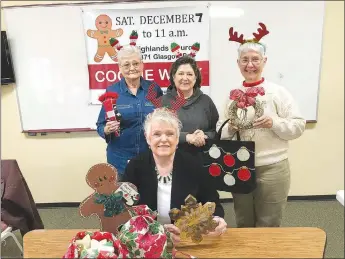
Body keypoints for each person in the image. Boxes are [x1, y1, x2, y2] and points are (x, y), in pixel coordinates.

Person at [217, 24, 306, 227]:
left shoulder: (278, 92)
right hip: (240, 166)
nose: (250, 64)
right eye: (245, 60)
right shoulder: (232, 95)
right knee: (243, 220)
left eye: (255, 59)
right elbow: (220, 131)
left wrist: (274, 123)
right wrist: (232, 127)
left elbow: (298, 126)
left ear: (264, 61)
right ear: (238, 63)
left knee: (270, 221)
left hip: (273, 167)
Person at [122, 108, 227, 243]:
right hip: (146, 240)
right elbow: (124, 210)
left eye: (170, 134)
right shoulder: (135, 167)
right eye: (157, 134)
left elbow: (213, 204)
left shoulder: (194, 165)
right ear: (148, 138)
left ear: (177, 139)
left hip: (185, 240)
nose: (164, 139)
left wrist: (217, 220)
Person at [96, 45, 163, 179]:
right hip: (120, 161)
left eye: (135, 63)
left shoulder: (154, 89)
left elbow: (163, 119)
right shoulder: (112, 92)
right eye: (126, 65)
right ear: (119, 68)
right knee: (122, 198)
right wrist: (107, 129)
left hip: (149, 159)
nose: (132, 68)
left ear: (142, 65)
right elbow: (100, 125)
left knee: (149, 197)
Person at [162, 55, 219, 156]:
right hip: (171, 159)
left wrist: (204, 136)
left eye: (189, 74)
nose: (185, 78)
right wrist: (187, 137)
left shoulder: (206, 101)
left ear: (195, 77)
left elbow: (216, 132)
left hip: (202, 159)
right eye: (181, 74)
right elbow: (160, 133)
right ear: (173, 77)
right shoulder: (163, 102)